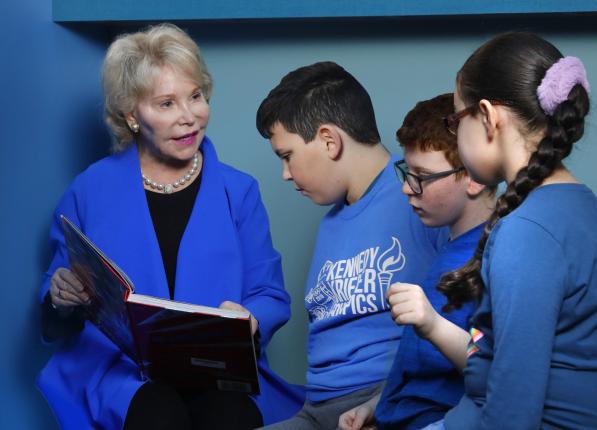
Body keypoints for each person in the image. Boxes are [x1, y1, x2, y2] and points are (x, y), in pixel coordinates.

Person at [37, 23, 303, 430]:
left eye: (195, 96)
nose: (189, 117)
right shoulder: (89, 189)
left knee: (228, 414)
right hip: (122, 374)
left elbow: (269, 294)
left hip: (218, 370)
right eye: (166, 104)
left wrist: (249, 319)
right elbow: (57, 294)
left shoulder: (239, 190)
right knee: (156, 411)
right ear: (131, 116)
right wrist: (60, 295)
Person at [419, 32, 597, 429]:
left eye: (455, 120)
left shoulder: (526, 234)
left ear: (488, 116)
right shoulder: (591, 214)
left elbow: (511, 417)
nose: (455, 133)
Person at [255, 62, 447, 429]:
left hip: (388, 399)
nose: (284, 173)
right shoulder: (331, 222)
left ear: (329, 140)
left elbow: (468, 313)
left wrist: (394, 402)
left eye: (287, 155)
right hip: (316, 407)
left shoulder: (420, 192)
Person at [338, 94, 495, 430]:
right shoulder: (446, 251)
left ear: (475, 176)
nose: (408, 189)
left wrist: (432, 324)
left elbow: (493, 366)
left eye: (422, 177)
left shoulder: (494, 258)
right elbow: (416, 369)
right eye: (406, 173)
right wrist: (374, 405)